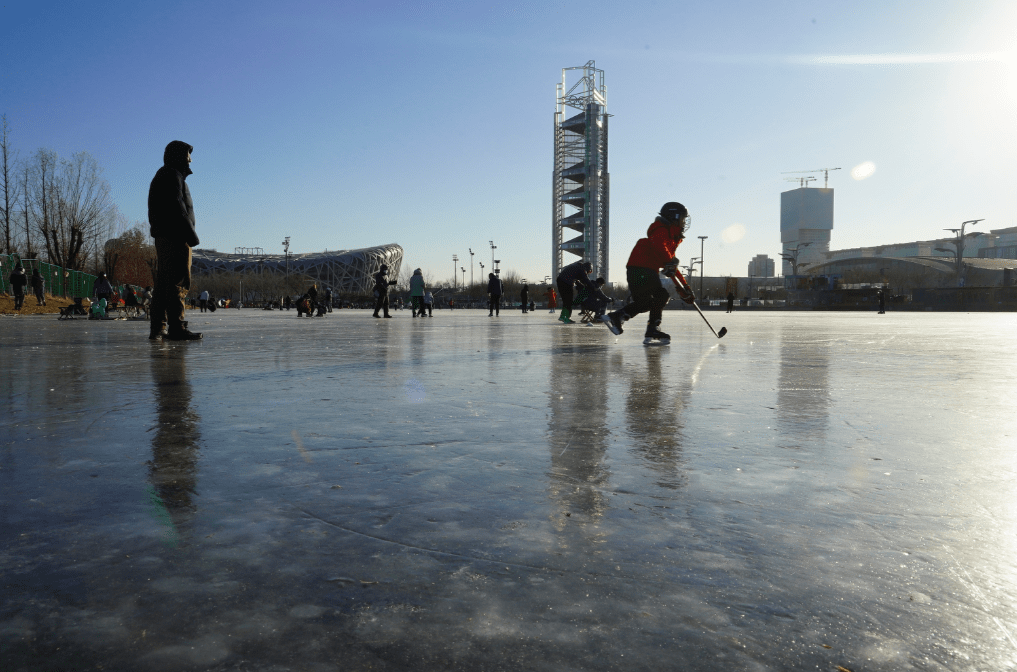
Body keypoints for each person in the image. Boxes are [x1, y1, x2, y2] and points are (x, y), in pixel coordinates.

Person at [602, 202, 695, 345]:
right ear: (674, 217)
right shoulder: (661, 230)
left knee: (645, 303)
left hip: (639, 269)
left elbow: (671, 265)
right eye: (682, 218)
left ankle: (619, 316)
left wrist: (685, 287)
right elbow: (660, 247)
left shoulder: (670, 236)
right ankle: (651, 328)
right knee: (661, 295)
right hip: (642, 269)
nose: (684, 222)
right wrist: (669, 262)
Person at [148, 140, 201, 340]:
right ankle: (175, 326)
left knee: (166, 283)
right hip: (175, 236)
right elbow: (177, 206)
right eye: (187, 157)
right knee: (177, 282)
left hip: (170, 235)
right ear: (178, 157)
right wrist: (190, 235)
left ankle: (161, 327)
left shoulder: (168, 175)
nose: (190, 161)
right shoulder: (171, 175)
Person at [556, 260, 597, 324]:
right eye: (588, 272)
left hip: (560, 281)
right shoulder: (582, 269)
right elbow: (585, 279)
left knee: (566, 301)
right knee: (569, 301)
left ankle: (562, 316)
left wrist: (583, 286)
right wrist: (593, 287)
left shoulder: (578, 266)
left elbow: (578, 281)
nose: (587, 273)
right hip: (566, 283)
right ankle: (566, 318)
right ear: (588, 268)